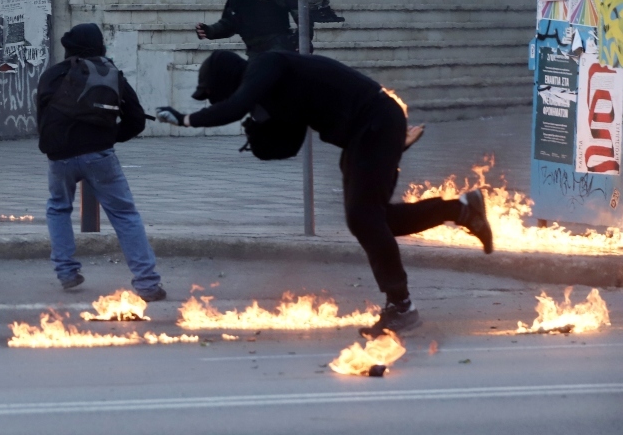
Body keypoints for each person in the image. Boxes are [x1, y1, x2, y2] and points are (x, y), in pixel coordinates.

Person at [154, 50, 493, 335]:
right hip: (364, 134)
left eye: (212, 95)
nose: (214, 101)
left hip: (376, 122)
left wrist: (186, 120)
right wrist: (257, 133)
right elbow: (287, 145)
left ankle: (401, 306)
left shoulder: (266, 64)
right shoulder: (273, 96)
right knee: (374, 220)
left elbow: (235, 104)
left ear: (226, 81)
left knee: (364, 218)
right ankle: (461, 210)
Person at [36, 23, 165, 301]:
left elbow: (43, 120)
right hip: (99, 155)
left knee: (58, 208)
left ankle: (66, 272)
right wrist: (108, 137)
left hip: (59, 158)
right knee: (124, 214)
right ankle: (147, 284)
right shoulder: (110, 73)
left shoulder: (51, 75)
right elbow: (136, 120)